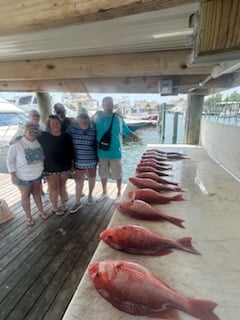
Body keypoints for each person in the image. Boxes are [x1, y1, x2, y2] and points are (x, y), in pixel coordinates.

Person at [93, 96, 138, 199]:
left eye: (111, 104)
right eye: (107, 104)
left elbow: (126, 130)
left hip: (116, 152)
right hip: (102, 152)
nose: (110, 106)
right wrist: (94, 114)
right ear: (102, 105)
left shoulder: (118, 118)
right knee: (103, 174)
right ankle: (104, 192)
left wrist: (133, 136)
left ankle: (118, 192)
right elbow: (89, 127)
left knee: (118, 174)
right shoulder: (97, 118)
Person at [6, 122, 48, 226]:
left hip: (37, 175)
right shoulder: (16, 144)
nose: (32, 132)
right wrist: (13, 175)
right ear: (24, 131)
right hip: (23, 177)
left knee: (37, 193)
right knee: (25, 196)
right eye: (30, 130)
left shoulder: (39, 142)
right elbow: (10, 160)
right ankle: (28, 216)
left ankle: (41, 211)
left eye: (35, 130)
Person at [38, 115, 74, 216]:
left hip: (65, 166)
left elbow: (71, 152)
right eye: (52, 123)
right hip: (50, 167)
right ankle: (54, 207)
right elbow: (28, 138)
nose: (55, 125)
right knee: (54, 188)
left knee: (62, 186)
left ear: (60, 124)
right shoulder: (43, 136)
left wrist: (72, 164)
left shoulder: (67, 136)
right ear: (49, 125)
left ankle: (63, 204)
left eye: (57, 123)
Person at [66, 108, 98, 213]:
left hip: (92, 158)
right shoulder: (72, 128)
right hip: (78, 160)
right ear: (77, 118)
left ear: (88, 118)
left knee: (92, 177)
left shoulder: (93, 128)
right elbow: (62, 136)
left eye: (85, 117)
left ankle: (90, 195)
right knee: (79, 181)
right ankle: (77, 202)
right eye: (81, 117)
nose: (83, 119)